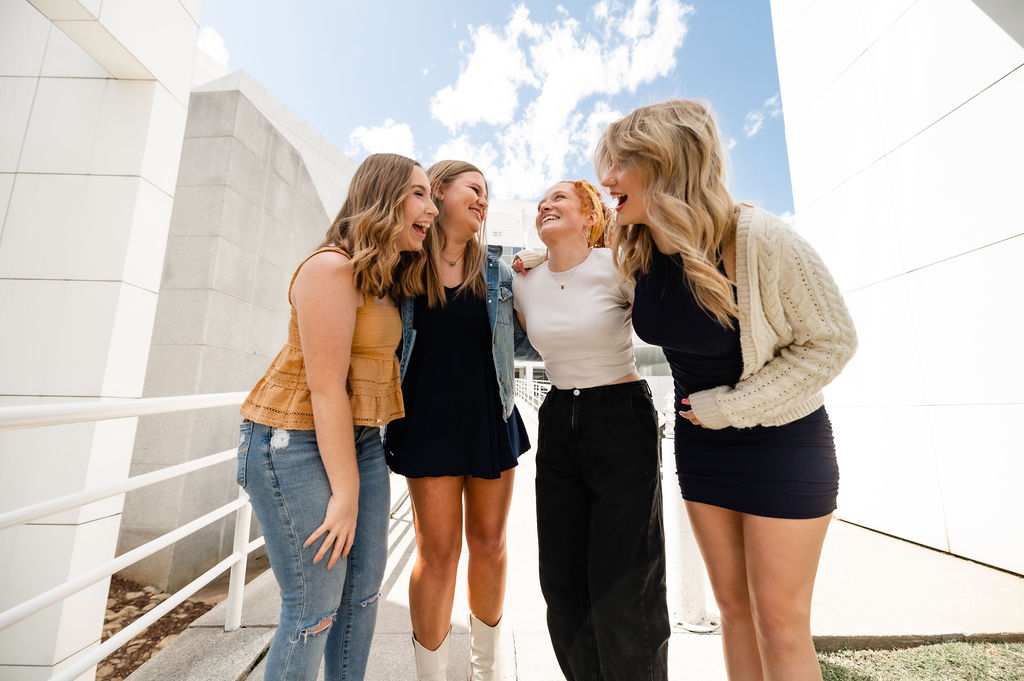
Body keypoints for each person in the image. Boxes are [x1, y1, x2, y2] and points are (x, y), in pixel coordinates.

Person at [598, 99, 858, 681]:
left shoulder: (761, 239)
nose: (607, 179)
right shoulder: (638, 248)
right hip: (704, 448)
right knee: (735, 614)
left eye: (620, 164)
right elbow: (578, 267)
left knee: (780, 624)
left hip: (784, 445)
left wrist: (732, 407)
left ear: (667, 165)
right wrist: (533, 263)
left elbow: (832, 342)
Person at [237, 153, 435, 681]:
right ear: (383, 195)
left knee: (363, 594)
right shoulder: (330, 268)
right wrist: (344, 496)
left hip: (362, 440)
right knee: (314, 607)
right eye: (419, 193)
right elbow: (326, 390)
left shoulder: (386, 274)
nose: (432, 209)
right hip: (292, 441)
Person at [512, 179, 670, 681]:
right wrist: (529, 260)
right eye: (541, 203)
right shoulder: (521, 280)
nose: (545, 205)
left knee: (626, 579)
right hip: (559, 418)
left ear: (590, 216)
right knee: (560, 581)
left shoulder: (617, 266)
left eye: (558, 198)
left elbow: (664, 322)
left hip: (619, 416)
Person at [384, 160, 530, 681]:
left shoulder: (503, 269)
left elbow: (533, 339)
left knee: (489, 545)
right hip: (427, 425)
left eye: (487, 193)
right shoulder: (402, 265)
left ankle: (485, 671)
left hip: (491, 418)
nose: (483, 199)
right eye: (473, 189)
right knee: (437, 553)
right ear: (438, 192)